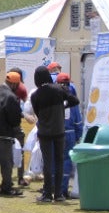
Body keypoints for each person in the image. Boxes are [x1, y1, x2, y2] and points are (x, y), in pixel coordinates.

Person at [30, 66, 80, 203]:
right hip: (59, 130)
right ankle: (58, 194)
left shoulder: (35, 95)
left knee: (47, 162)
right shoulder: (59, 89)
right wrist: (63, 106)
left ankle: (47, 194)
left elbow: (37, 113)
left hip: (45, 132)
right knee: (59, 162)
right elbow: (75, 101)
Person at [58, 72, 84, 197]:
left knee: (53, 160)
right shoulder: (73, 101)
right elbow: (78, 122)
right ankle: (63, 189)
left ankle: (52, 188)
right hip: (69, 135)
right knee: (67, 162)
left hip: (55, 133)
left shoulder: (53, 99)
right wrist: (79, 136)